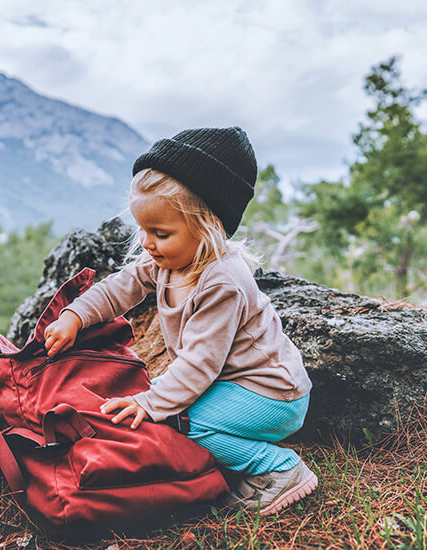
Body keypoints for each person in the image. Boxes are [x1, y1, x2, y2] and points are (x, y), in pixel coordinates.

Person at [43, 127, 316, 516]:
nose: (148, 242)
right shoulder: (171, 259)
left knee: (188, 421)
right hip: (229, 383)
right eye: (143, 230)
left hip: (272, 394)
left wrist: (154, 402)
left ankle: (279, 469)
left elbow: (200, 362)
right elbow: (121, 286)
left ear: (210, 226)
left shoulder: (222, 282)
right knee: (168, 408)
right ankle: (221, 460)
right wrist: (75, 315)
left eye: (161, 233)